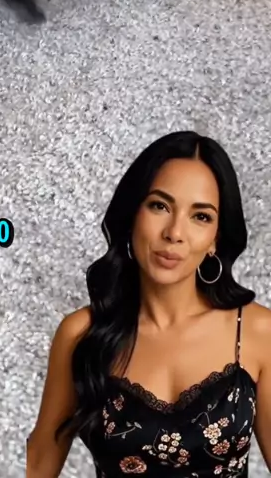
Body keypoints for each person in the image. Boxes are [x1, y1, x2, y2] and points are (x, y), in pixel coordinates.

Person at [27, 131, 271, 477]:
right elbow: (38, 462)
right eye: (159, 206)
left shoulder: (258, 333)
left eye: (200, 216)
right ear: (132, 216)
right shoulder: (81, 334)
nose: (174, 233)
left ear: (215, 239)